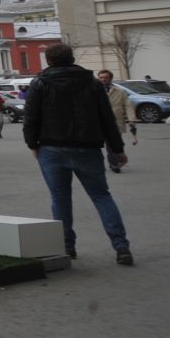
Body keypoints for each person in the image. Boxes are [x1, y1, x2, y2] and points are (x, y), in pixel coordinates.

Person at [24, 43, 131, 266]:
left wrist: (32, 144)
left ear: (49, 61)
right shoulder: (92, 83)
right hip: (88, 148)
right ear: (72, 58)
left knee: (60, 198)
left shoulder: (40, 83)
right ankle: (121, 246)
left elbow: (30, 118)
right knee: (102, 196)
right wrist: (117, 149)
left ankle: (67, 247)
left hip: (51, 149)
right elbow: (107, 119)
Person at [96, 70, 138, 166]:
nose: (103, 80)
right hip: (99, 122)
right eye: (101, 78)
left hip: (116, 122)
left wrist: (131, 119)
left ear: (110, 78)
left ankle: (114, 162)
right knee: (104, 144)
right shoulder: (94, 91)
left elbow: (128, 106)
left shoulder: (120, 92)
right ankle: (113, 162)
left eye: (106, 78)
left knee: (114, 143)